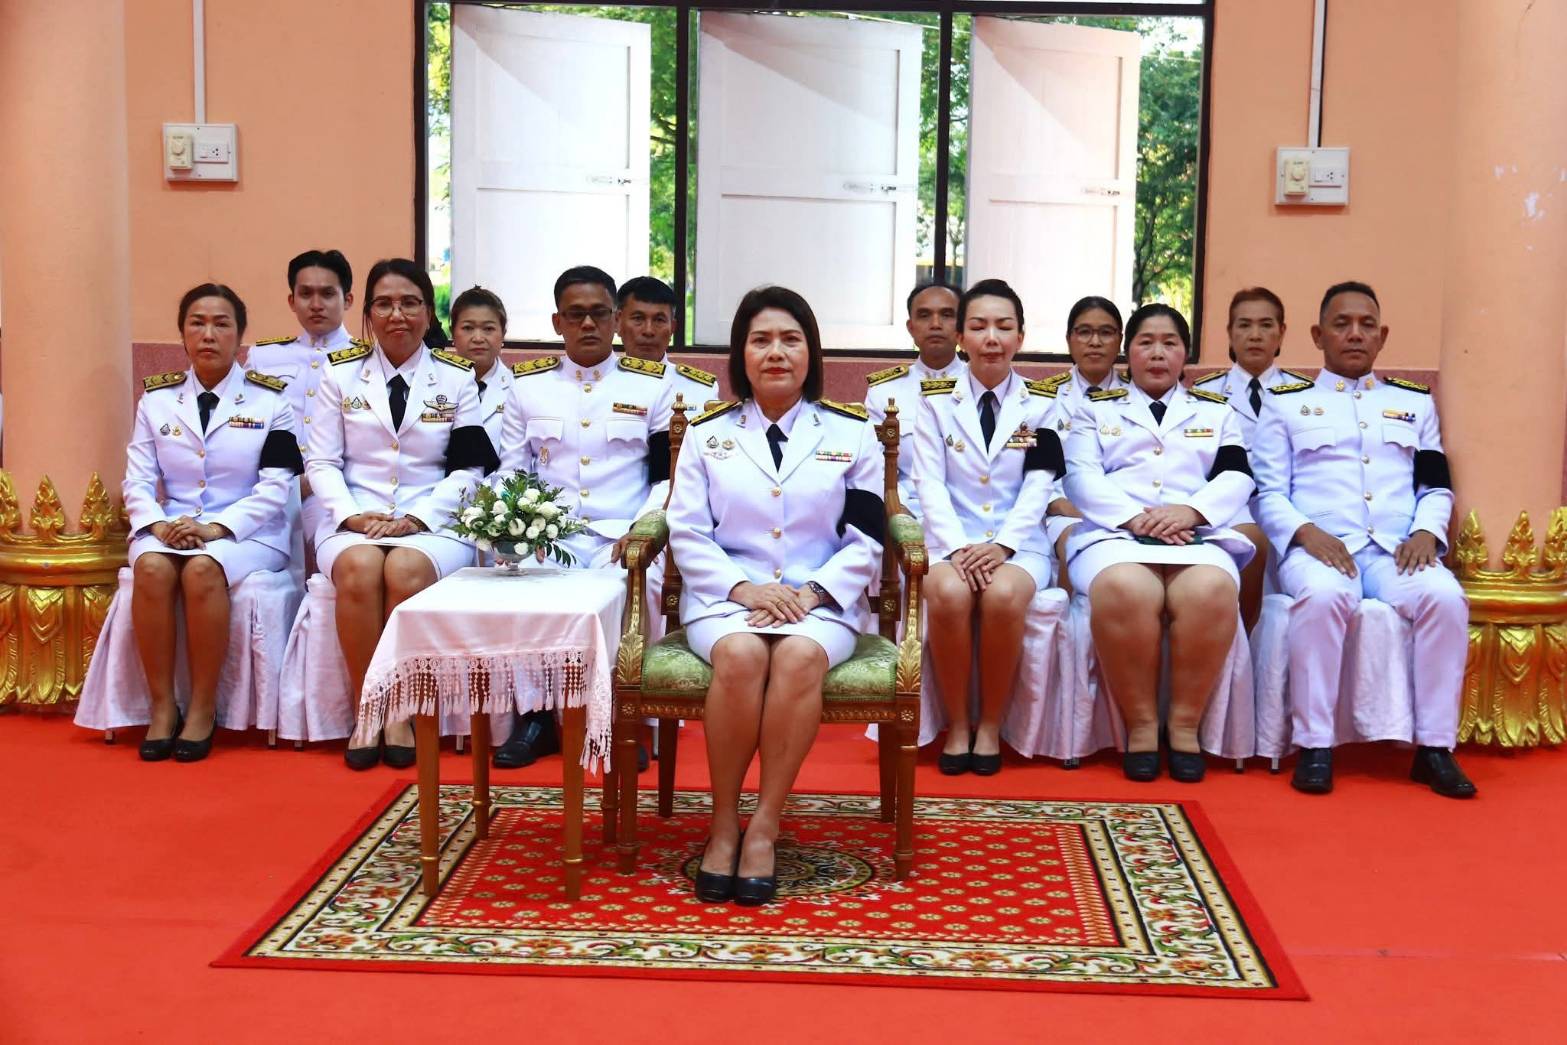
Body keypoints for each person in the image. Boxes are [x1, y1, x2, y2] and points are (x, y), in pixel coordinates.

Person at [669, 285, 884, 906]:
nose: (776, 352)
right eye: (760, 340)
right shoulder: (707, 436)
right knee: (739, 657)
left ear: (811, 353)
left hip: (820, 600)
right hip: (726, 596)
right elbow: (686, 529)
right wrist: (744, 588)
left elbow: (869, 534)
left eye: (791, 339)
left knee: (794, 657)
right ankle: (721, 823)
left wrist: (814, 592)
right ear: (740, 354)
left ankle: (763, 824)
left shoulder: (854, 433)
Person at [1252, 281, 1475, 798]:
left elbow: (1435, 482)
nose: (1355, 334)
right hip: (1320, 547)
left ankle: (1435, 749)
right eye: (1342, 324)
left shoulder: (1413, 404)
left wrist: (1427, 531)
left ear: (1382, 336)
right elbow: (1267, 493)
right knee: (1325, 596)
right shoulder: (1287, 406)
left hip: (1396, 548)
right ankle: (1315, 745)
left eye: (1366, 325)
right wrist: (1305, 533)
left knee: (1445, 597)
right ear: (1318, 335)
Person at [306, 258, 499, 770]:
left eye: (410, 302)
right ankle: (370, 709)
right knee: (360, 567)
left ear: (426, 312)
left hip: (433, 521)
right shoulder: (340, 373)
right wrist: (350, 516)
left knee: (405, 568)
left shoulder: (456, 377)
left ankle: (401, 709)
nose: (398, 314)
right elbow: (321, 460)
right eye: (385, 304)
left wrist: (419, 519)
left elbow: (468, 468)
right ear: (368, 313)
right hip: (355, 517)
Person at [1063, 303, 1256, 783]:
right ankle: (1143, 725)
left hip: (1194, 533)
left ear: (1184, 354)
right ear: (1128, 352)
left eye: (1169, 343)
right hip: (1115, 534)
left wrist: (1189, 512)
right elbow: (1080, 478)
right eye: (1146, 342)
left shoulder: (1216, 413)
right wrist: (1135, 519)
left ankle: (1185, 725)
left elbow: (1236, 474)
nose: (1157, 353)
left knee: (1210, 590)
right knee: (1128, 589)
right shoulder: (1095, 411)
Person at [492, 266, 676, 769]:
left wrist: (643, 527)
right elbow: (512, 471)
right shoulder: (527, 388)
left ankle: (625, 721)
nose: (588, 325)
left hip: (624, 530)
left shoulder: (651, 387)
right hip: (550, 531)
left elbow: (665, 476)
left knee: (642, 581)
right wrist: (514, 527)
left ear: (616, 319)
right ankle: (536, 719)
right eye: (576, 315)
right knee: (517, 576)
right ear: (558, 321)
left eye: (599, 313)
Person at [124, 283, 301, 762]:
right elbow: (138, 481)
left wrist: (216, 530)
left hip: (249, 533)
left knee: (203, 568)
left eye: (221, 324)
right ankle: (163, 707)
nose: (208, 334)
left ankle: (203, 707)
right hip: (170, 525)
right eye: (197, 323)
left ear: (240, 336)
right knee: (154, 569)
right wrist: (157, 525)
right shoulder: (156, 402)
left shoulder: (273, 403)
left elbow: (274, 488)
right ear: (182, 334)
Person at [915, 279, 1063, 777]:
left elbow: (1040, 484)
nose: (992, 338)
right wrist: (958, 548)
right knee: (951, 596)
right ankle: (957, 724)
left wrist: (1002, 545)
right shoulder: (933, 402)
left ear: (1021, 337)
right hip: (950, 542)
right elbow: (928, 485)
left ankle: (991, 725)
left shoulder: (1044, 405)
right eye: (978, 327)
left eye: (1004, 327)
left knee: (1002, 597)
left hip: (1019, 544)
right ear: (961, 337)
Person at [1191, 287, 1310, 632]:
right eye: (1244, 325)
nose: (1255, 335)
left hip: (1289, 512)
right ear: (1229, 332)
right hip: (1226, 516)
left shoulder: (1304, 394)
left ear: (1281, 333)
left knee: (1287, 614)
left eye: (1265, 325)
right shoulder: (1204, 395)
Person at [248, 249, 361, 549]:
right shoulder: (265, 357)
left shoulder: (366, 361)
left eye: (327, 294)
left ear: (347, 300)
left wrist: (314, 482)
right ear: (291, 301)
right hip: (271, 489)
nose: (315, 305)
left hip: (337, 491)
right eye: (305, 294)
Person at [1043, 296, 1130, 594]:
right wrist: (1055, 503)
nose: (1095, 342)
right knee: (1074, 542)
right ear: (1069, 340)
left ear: (1120, 340)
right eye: (1084, 332)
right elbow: (1028, 466)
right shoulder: (1043, 398)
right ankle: (1071, 633)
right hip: (1063, 511)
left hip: (1128, 511)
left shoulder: (1139, 396)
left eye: (1106, 333)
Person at [862, 281, 965, 517]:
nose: (936, 324)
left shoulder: (982, 385)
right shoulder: (884, 391)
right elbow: (874, 465)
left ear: (962, 326)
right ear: (911, 327)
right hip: (911, 512)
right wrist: (898, 510)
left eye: (947, 315)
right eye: (924, 315)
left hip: (974, 515)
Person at [617, 275, 719, 409]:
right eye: (638, 318)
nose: (648, 331)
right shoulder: (599, 384)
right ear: (617, 322)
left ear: (673, 328)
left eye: (659, 320)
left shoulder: (700, 388)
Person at [448, 285, 512, 445]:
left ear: (503, 333)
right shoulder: (434, 386)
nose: (478, 338)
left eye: (488, 328)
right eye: (468, 328)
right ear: (452, 333)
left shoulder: (520, 388)